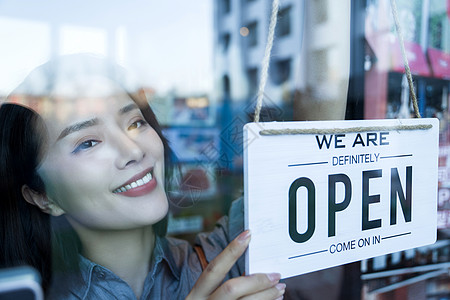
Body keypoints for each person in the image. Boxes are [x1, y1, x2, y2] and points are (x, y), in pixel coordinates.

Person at [0, 54, 286, 299]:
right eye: (88, 142)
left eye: (136, 123)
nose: (133, 150)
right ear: (42, 195)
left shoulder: (231, 256)